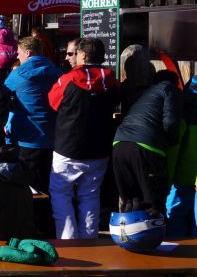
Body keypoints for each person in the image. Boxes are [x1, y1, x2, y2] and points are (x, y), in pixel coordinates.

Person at [47, 37, 119, 239]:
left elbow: (53, 102)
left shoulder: (67, 79)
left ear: (84, 55)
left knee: (61, 195)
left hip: (67, 148)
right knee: (90, 196)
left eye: (76, 53)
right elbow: (117, 101)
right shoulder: (111, 81)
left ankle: (68, 241)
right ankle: (89, 241)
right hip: (99, 148)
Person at [112, 70, 180, 213]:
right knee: (152, 203)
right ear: (174, 82)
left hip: (119, 144)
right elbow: (170, 122)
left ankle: (128, 227)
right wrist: (173, 140)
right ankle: (153, 227)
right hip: (145, 146)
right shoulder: (169, 89)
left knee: (130, 200)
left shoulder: (144, 93)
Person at [2, 36, 62, 192]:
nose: (17, 56)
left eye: (19, 52)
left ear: (28, 52)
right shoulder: (58, 72)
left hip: (26, 136)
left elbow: (4, 95)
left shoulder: (17, 74)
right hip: (53, 135)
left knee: (26, 185)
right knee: (50, 183)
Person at [167, 76, 197, 236]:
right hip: (190, 179)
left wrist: (168, 179)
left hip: (181, 177)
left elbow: (173, 151)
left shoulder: (182, 118)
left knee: (175, 216)